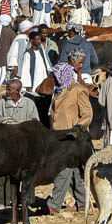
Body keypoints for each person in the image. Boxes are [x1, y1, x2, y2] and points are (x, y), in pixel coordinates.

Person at [48, 62, 92, 213]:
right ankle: (82, 201)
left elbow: (87, 114)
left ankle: (54, 204)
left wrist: (78, 128)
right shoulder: (59, 90)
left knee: (63, 169)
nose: (53, 79)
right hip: (58, 137)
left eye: (55, 76)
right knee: (74, 171)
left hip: (73, 138)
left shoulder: (78, 90)